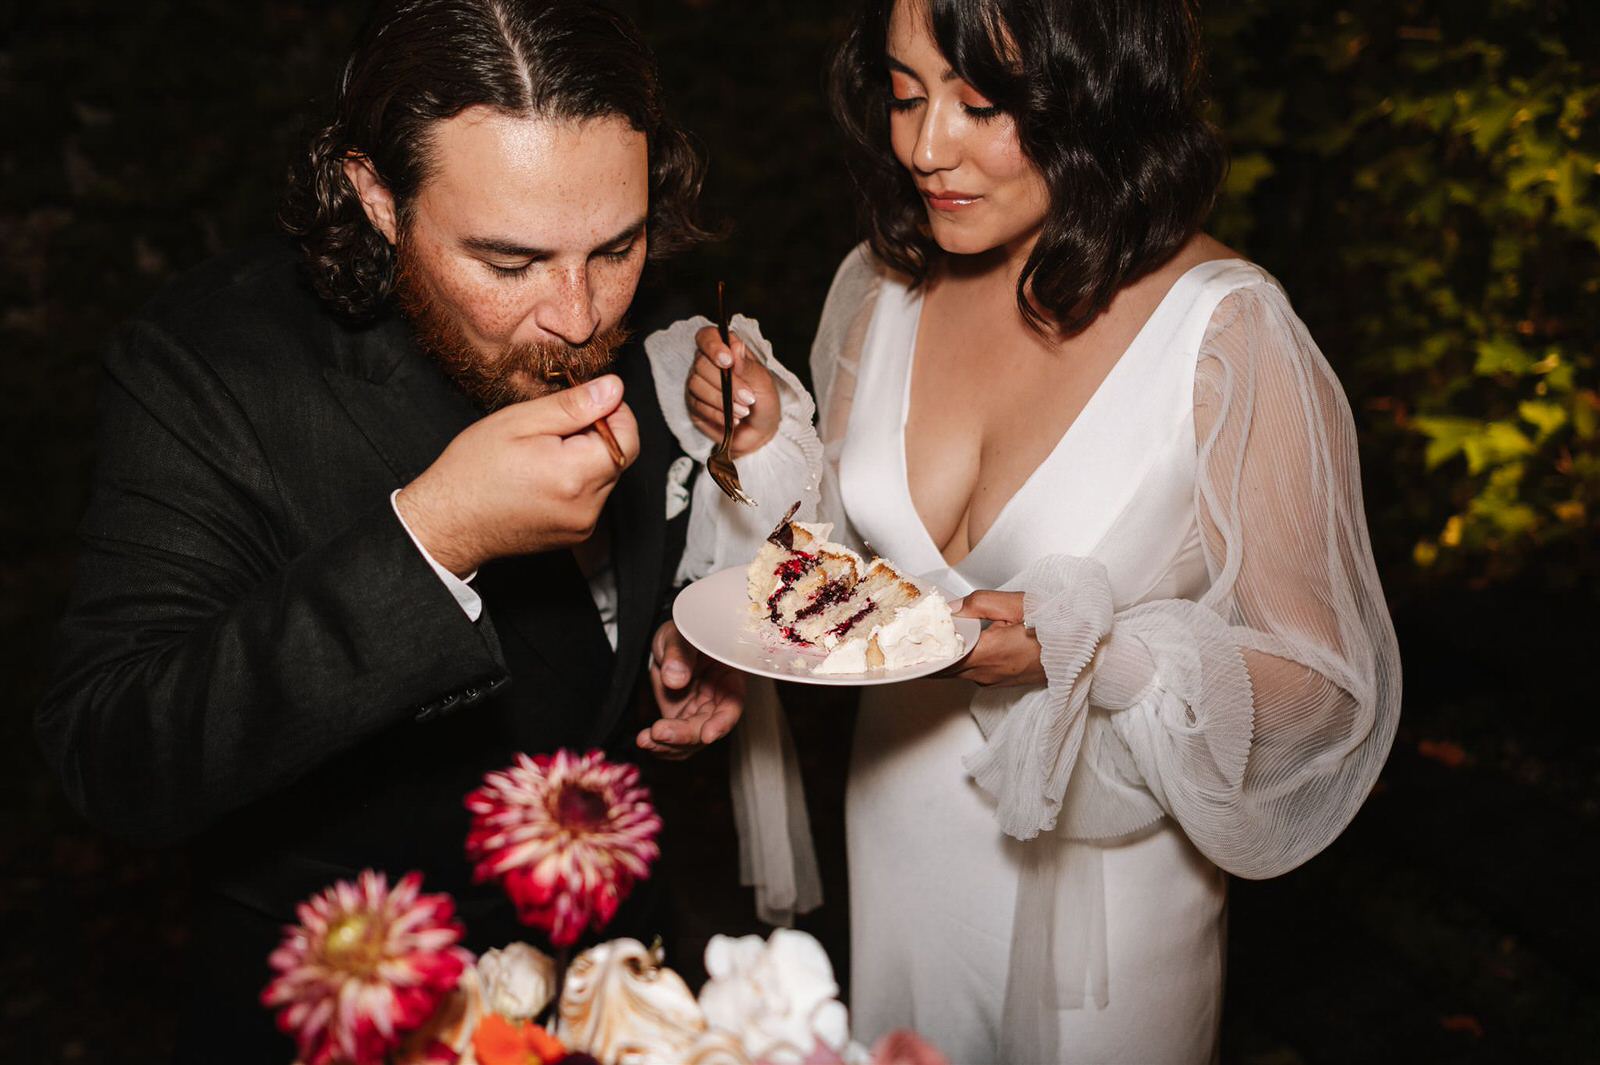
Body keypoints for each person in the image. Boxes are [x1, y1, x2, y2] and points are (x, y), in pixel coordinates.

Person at [642, 0, 1402, 1060]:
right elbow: (849, 583)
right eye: (905, 94)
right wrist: (768, 442)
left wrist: (1091, 654)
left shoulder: (1226, 330)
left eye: (982, 105)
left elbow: (1322, 686)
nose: (922, 146)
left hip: (1103, 889)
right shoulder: (881, 287)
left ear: (1100, 98)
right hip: (896, 830)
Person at [34, 1, 743, 1059]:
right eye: (507, 265)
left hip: (623, 984)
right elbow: (116, 753)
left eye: (619, 247)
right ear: (375, 194)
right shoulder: (210, 366)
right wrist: (432, 536)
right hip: (362, 1011)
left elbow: (622, 589)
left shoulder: (628, 286)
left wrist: (686, 642)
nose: (580, 315)